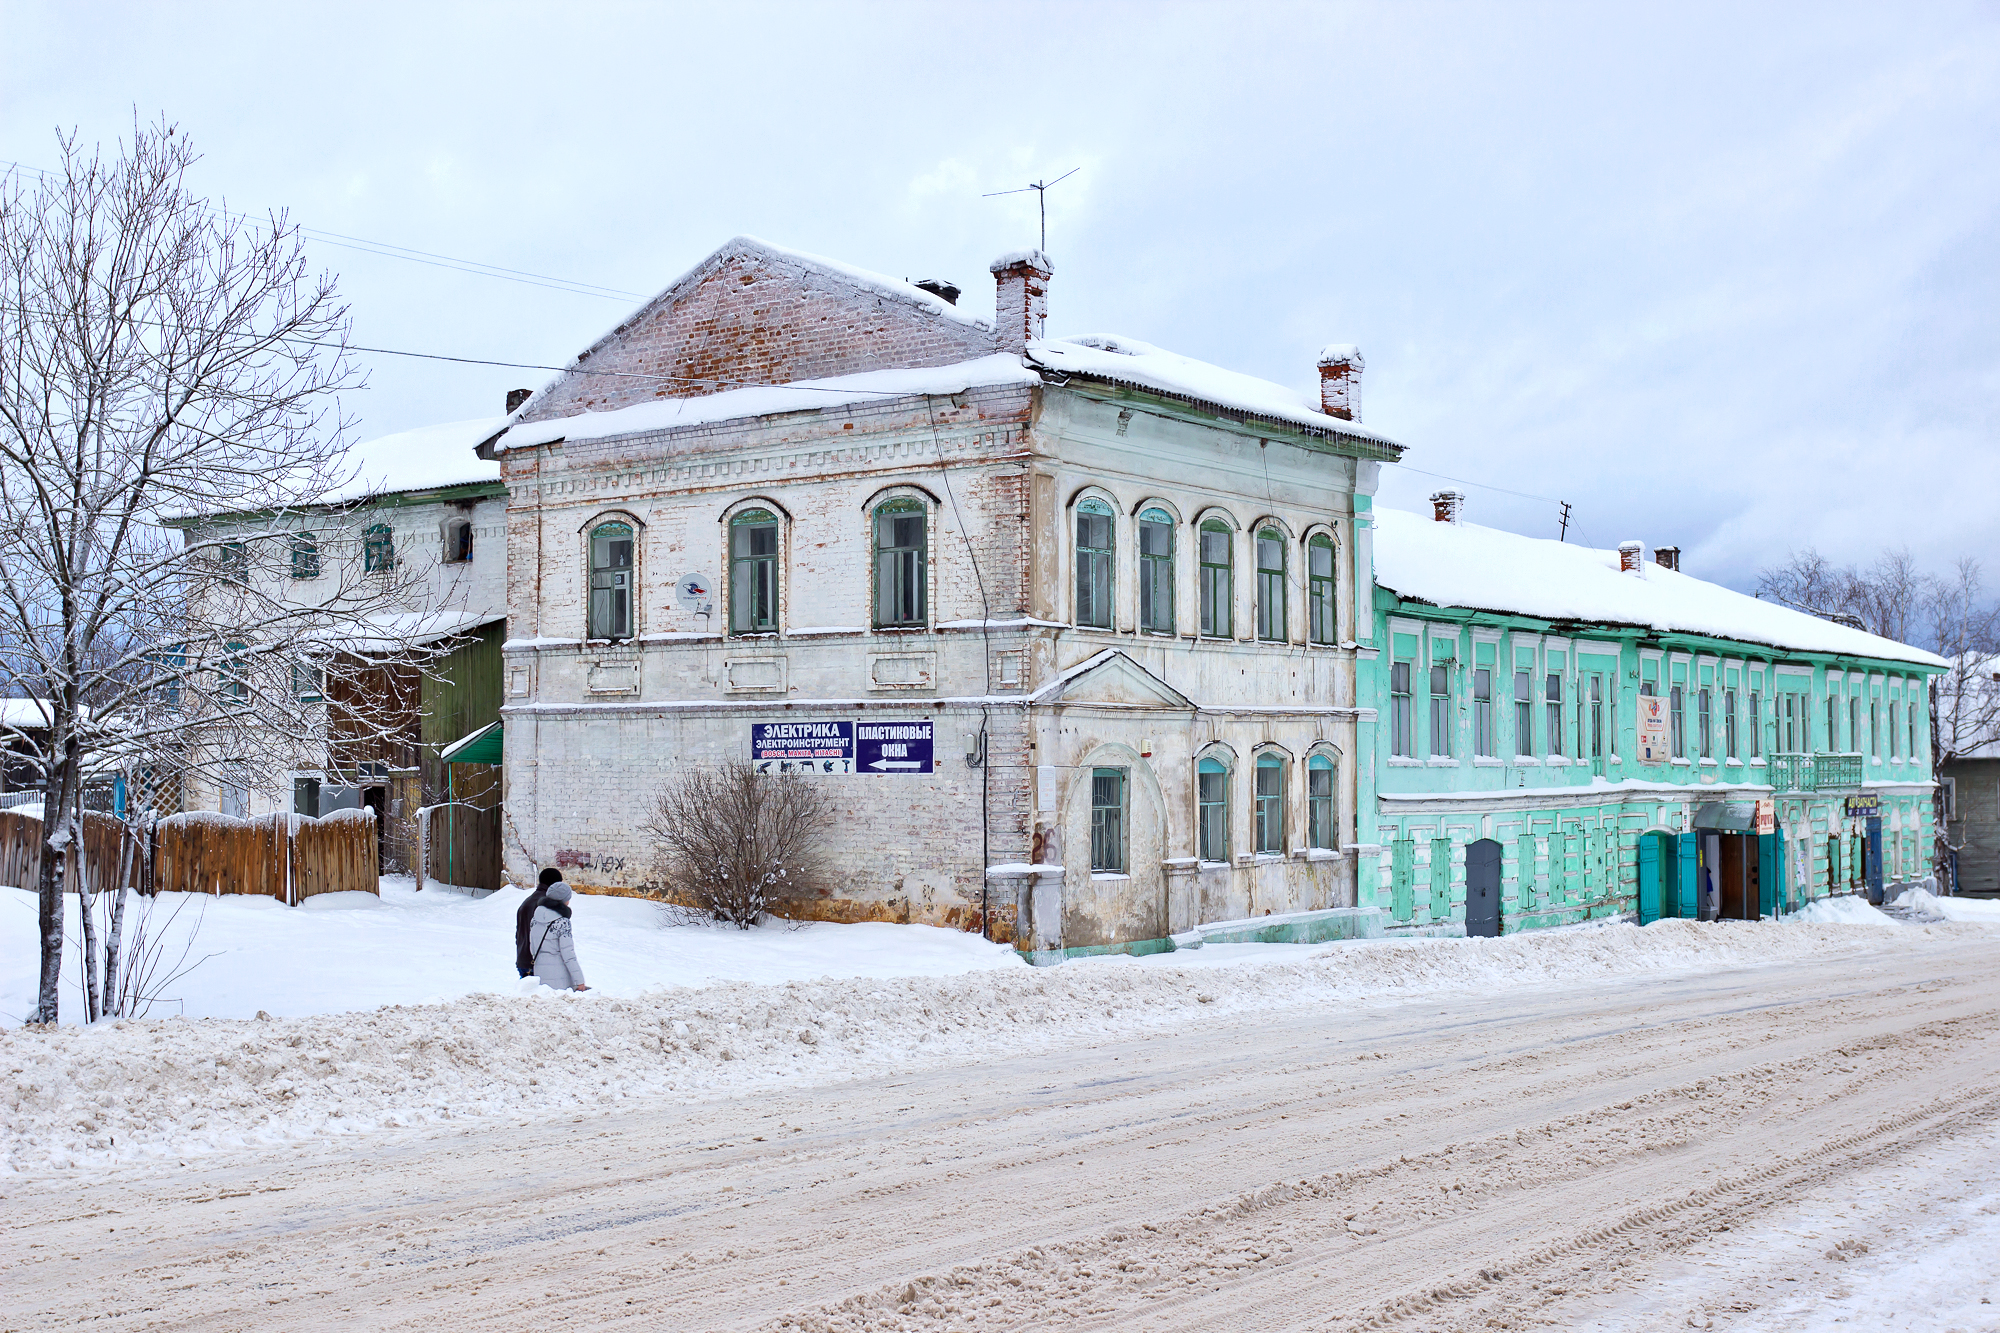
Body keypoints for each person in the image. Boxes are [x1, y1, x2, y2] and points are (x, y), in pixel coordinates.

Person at [529, 880, 589, 992]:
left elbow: (532, 947)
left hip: (539, 973)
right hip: (560, 978)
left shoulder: (535, 918)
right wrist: (579, 981)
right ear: (564, 900)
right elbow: (568, 954)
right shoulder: (562, 922)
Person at [516, 868, 562, 978]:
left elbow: (519, 934)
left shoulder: (526, 902)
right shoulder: (547, 904)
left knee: (528, 993)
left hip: (523, 960)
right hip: (539, 963)